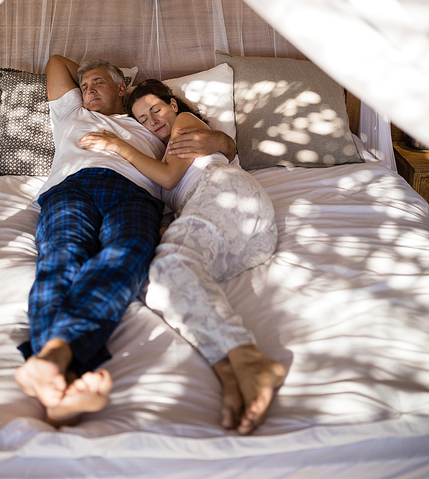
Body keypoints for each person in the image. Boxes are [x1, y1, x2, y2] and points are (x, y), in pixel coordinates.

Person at [15, 55, 233, 427]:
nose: (88, 90)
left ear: (122, 88)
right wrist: (89, 73)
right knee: (63, 255)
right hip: (72, 187)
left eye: (98, 83)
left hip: (133, 193)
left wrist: (220, 139)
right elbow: (55, 63)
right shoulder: (71, 115)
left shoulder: (148, 122)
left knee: (128, 253)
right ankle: (59, 370)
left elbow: (218, 146)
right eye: (83, 86)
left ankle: (52, 365)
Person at [80, 79, 286, 435]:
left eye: (155, 110)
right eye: (142, 119)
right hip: (243, 233)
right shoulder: (164, 147)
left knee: (168, 266)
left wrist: (117, 146)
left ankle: (249, 356)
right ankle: (228, 369)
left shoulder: (187, 125)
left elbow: (171, 177)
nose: (152, 122)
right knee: (152, 279)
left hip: (227, 193)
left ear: (173, 105)